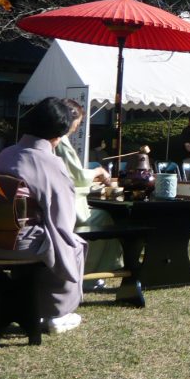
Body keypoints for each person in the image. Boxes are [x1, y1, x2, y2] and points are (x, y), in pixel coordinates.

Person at [0, 97, 86, 334]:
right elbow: (63, 219)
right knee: (72, 244)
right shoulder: (49, 162)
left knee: (51, 239)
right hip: (22, 245)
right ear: (59, 133)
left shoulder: (5, 154)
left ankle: (30, 306)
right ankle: (56, 313)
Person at [54, 100, 121, 280]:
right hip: (67, 208)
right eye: (78, 122)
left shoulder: (55, 140)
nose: (77, 127)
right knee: (105, 218)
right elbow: (78, 176)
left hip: (61, 203)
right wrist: (98, 171)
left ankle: (97, 267)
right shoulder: (60, 141)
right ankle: (93, 269)